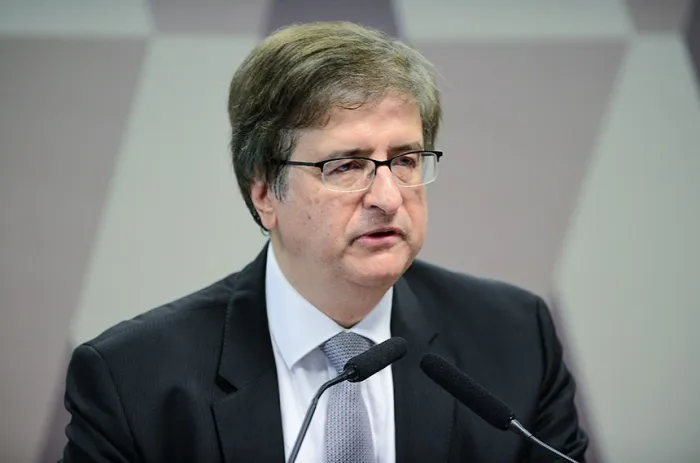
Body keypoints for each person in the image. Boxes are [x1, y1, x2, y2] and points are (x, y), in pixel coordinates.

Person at [60, 21, 589, 462]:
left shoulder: (515, 339)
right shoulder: (134, 379)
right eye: (346, 166)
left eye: (405, 160)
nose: (388, 197)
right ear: (264, 191)